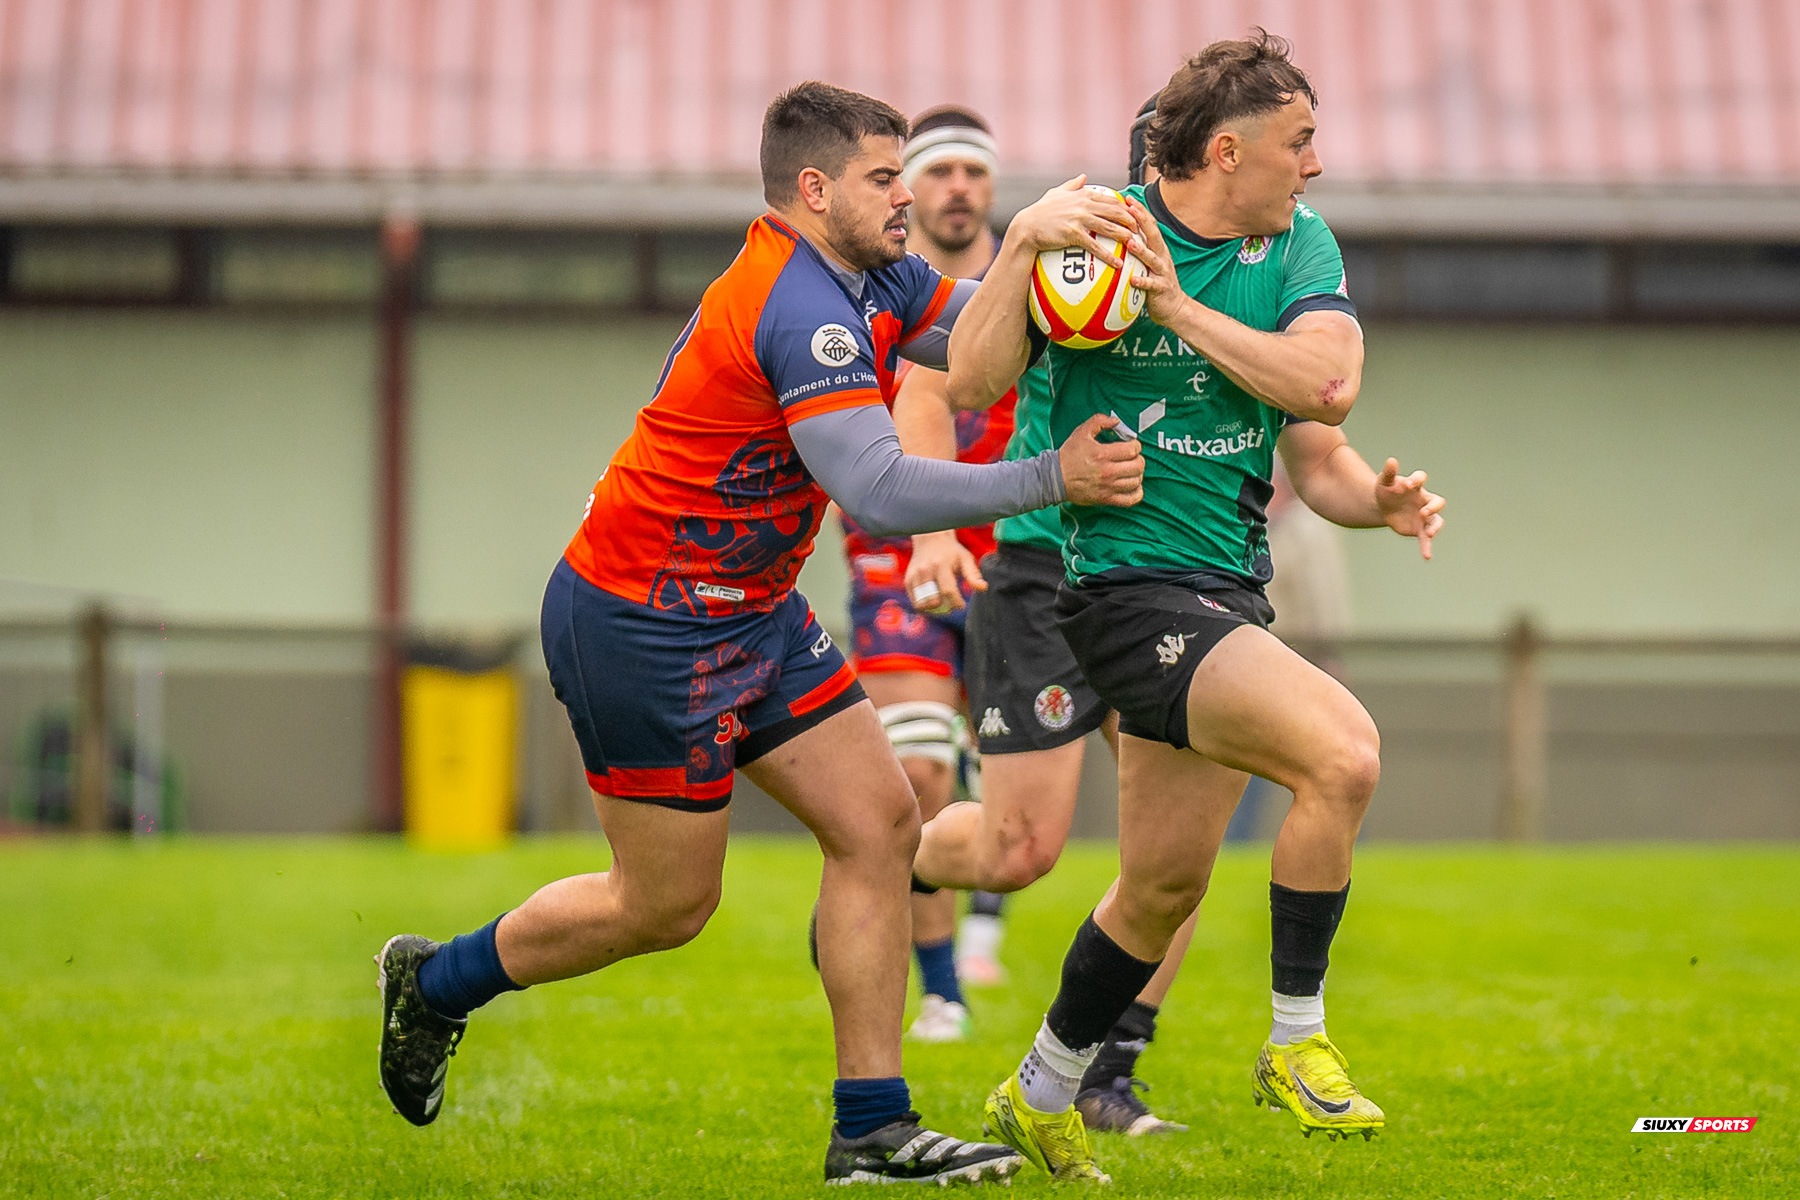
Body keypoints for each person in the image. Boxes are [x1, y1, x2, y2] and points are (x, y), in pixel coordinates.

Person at [372, 80, 1147, 1188]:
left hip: (750, 610)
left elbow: (973, 360)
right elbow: (873, 488)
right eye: (887, 179)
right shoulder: (798, 303)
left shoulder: (874, 270)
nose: (910, 195)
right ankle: (435, 984)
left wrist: (1037, 252)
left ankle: (872, 1129)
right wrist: (1050, 479)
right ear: (815, 187)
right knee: (666, 906)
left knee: (881, 825)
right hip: (640, 620)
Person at [969, 34, 1447, 1182]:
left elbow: (1323, 400)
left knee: (1161, 886)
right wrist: (1017, 249)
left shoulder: (1292, 243)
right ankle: (1296, 1041)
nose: (1317, 166)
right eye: (1300, 143)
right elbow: (973, 383)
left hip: (1227, 589)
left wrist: (1369, 503)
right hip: (1124, 593)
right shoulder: (1091, 237)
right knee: (1344, 755)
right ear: (1228, 150)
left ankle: (1037, 1091)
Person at [898, 94, 1195, 1136]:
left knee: (1179, 849)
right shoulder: (1075, 254)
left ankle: (1108, 1076)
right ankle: (884, 854)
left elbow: (1313, 428)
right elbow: (935, 385)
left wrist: (1359, 494)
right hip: (1045, 572)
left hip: (1186, 579)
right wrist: (933, 529)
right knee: (1018, 849)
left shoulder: (1272, 272)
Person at [836, 105, 1020, 1041]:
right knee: (919, 772)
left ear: (992, 188)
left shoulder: (1043, 289)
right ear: (911, 188)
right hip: (898, 558)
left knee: (1007, 784)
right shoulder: (867, 290)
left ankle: (985, 926)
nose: (956, 189)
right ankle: (942, 987)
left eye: (972, 173)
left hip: (1018, 567)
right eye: (937, 172)